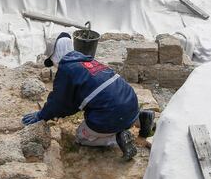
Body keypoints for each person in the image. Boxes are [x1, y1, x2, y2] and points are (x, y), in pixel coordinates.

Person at [22, 32, 155, 161]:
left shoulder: (66, 70)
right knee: (118, 112)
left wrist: (41, 115)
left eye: (52, 61)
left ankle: (118, 137)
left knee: (82, 136)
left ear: (55, 55)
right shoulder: (87, 60)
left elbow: (59, 103)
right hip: (131, 102)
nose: (54, 65)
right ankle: (141, 117)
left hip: (112, 113)